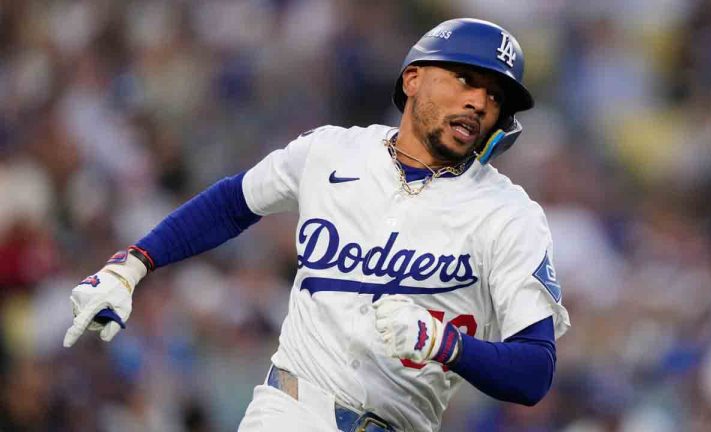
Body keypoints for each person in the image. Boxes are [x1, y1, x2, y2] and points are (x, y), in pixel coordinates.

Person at [63, 18, 570, 432]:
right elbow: (232, 203)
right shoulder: (331, 151)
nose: (479, 102)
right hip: (292, 410)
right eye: (465, 79)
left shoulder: (509, 215)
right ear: (413, 78)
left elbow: (533, 372)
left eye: (495, 96)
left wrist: (445, 344)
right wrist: (132, 265)